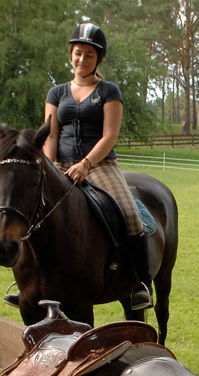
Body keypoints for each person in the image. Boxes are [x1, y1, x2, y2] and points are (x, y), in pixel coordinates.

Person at [19, 22, 150, 310]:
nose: (82, 59)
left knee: (130, 215)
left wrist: (86, 163)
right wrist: (49, 165)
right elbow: (50, 133)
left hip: (100, 164)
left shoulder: (109, 91)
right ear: (71, 55)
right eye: (78, 53)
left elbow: (110, 134)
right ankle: (26, 283)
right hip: (59, 163)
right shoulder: (56, 93)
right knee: (29, 212)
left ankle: (141, 285)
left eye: (89, 55)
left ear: (97, 59)